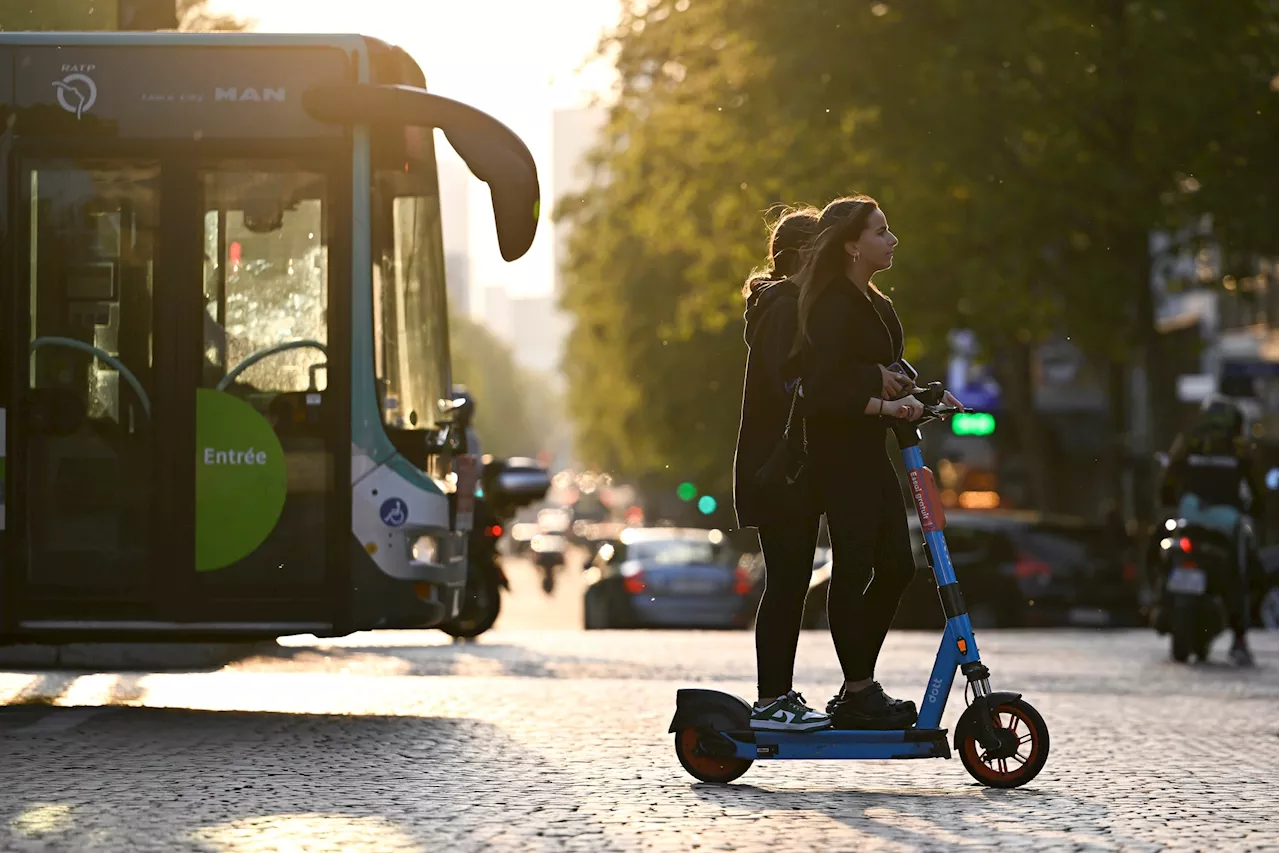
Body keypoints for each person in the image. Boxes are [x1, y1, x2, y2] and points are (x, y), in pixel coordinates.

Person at [791, 194, 961, 730]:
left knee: (898, 567)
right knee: (855, 566)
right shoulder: (830, 304)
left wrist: (925, 393)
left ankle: (855, 687)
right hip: (838, 454)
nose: (892, 240)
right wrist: (884, 397)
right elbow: (822, 388)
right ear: (851, 245)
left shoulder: (878, 305)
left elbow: (886, 369)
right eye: (881, 231)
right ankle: (860, 690)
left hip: (873, 450)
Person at [732, 206, 832, 731]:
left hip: (785, 468)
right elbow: (785, 383)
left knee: (790, 581)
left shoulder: (788, 304)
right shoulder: (784, 307)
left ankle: (777, 695)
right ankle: (772, 699)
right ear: (801, 257)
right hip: (780, 469)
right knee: (788, 582)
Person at [1157, 394, 1262, 666]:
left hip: (1190, 513)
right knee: (1239, 573)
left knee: (1163, 543)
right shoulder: (1239, 446)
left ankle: (1156, 595)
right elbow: (1255, 486)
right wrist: (1257, 508)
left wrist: (1168, 498)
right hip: (1227, 520)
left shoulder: (1190, 441)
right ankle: (1240, 641)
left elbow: (1169, 479)